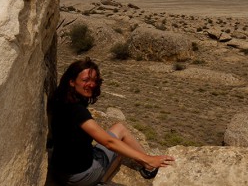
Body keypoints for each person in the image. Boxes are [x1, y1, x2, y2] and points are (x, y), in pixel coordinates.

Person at [49, 57, 174, 186]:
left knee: (117, 134)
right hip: (80, 177)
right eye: (86, 80)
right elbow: (109, 142)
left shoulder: (60, 100)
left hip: (59, 171)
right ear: (72, 81)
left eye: (94, 80)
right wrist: (149, 159)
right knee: (120, 138)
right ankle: (148, 167)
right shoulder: (77, 111)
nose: (91, 84)